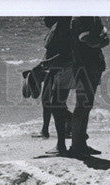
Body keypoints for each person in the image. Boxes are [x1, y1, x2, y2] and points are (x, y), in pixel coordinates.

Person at [69, 16, 108, 158]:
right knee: (82, 105)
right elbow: (87, 39)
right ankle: (76, 145)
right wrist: (99, 41)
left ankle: (79, 144)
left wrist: (97, 41)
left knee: (86, 105)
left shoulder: (92, 17)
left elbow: (103, 39)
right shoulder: (80, 18)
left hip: (91, 64)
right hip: (84, 64)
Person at [40, 17, 74, 154]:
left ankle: (63, 143)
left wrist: (45, 65)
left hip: (63, 68)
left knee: (56, 104)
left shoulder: (64, 26)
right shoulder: (59, 26)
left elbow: (65, 54)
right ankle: (72, 132)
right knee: (54, 103)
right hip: (57, 68)